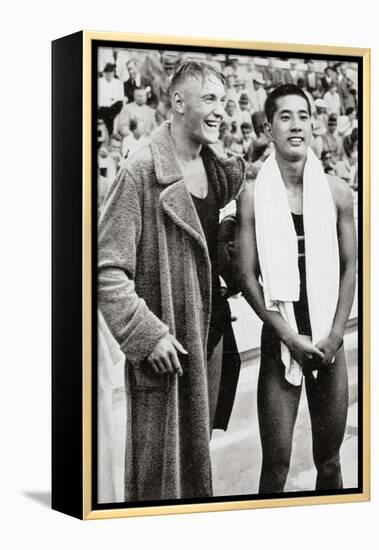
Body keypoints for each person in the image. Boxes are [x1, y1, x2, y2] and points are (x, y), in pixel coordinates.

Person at [98, 61, 245, 501]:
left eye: (225, 101)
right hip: (167, 350)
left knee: (196, 463)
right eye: (210, 100)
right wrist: (146, 335)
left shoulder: (219, 172)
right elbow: (106, 269)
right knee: (157, 479)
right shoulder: (141, 169)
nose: (221, 111)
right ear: (178, 102)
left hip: (212, 338)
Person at [235, 84, 356, 493]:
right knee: (275, 469)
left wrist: (336, 335)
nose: (296, 125)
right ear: (269, 128)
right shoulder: (253, 197)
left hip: (327, 341)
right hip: (281, 337)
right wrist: (288, 335)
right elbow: (247, 275)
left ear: (312, 124)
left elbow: (349, 265)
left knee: (330, 464)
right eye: (284, 117)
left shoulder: (337, 193)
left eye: (302, 116)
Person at [98, 63, 125, 138]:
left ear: (114, 73)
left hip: (114, 106)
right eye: (107, 72)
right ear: (103, 73)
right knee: (106, 111)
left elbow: (120, 97)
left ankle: (110, 134)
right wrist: (109, 101)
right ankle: (111, 134)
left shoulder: (119, 83)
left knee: (119, 104)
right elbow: (99, 99)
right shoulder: (99, 82)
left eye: (111, 72)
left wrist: (111, 101)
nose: (109, 74)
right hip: (102, 107)